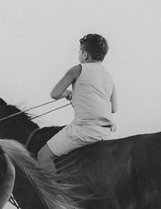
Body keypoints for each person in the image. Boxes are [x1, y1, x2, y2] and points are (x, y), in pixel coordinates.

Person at [37, 33, 117, 173]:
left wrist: (67, 93)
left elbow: (54, 94)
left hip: (84, 130)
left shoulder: (77, 69)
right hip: (105, 132)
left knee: (43, 156)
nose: (79, 55)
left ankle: (55, 195)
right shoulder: (108, 76)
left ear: (85, 54)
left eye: (79, 52)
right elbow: (114, 108)